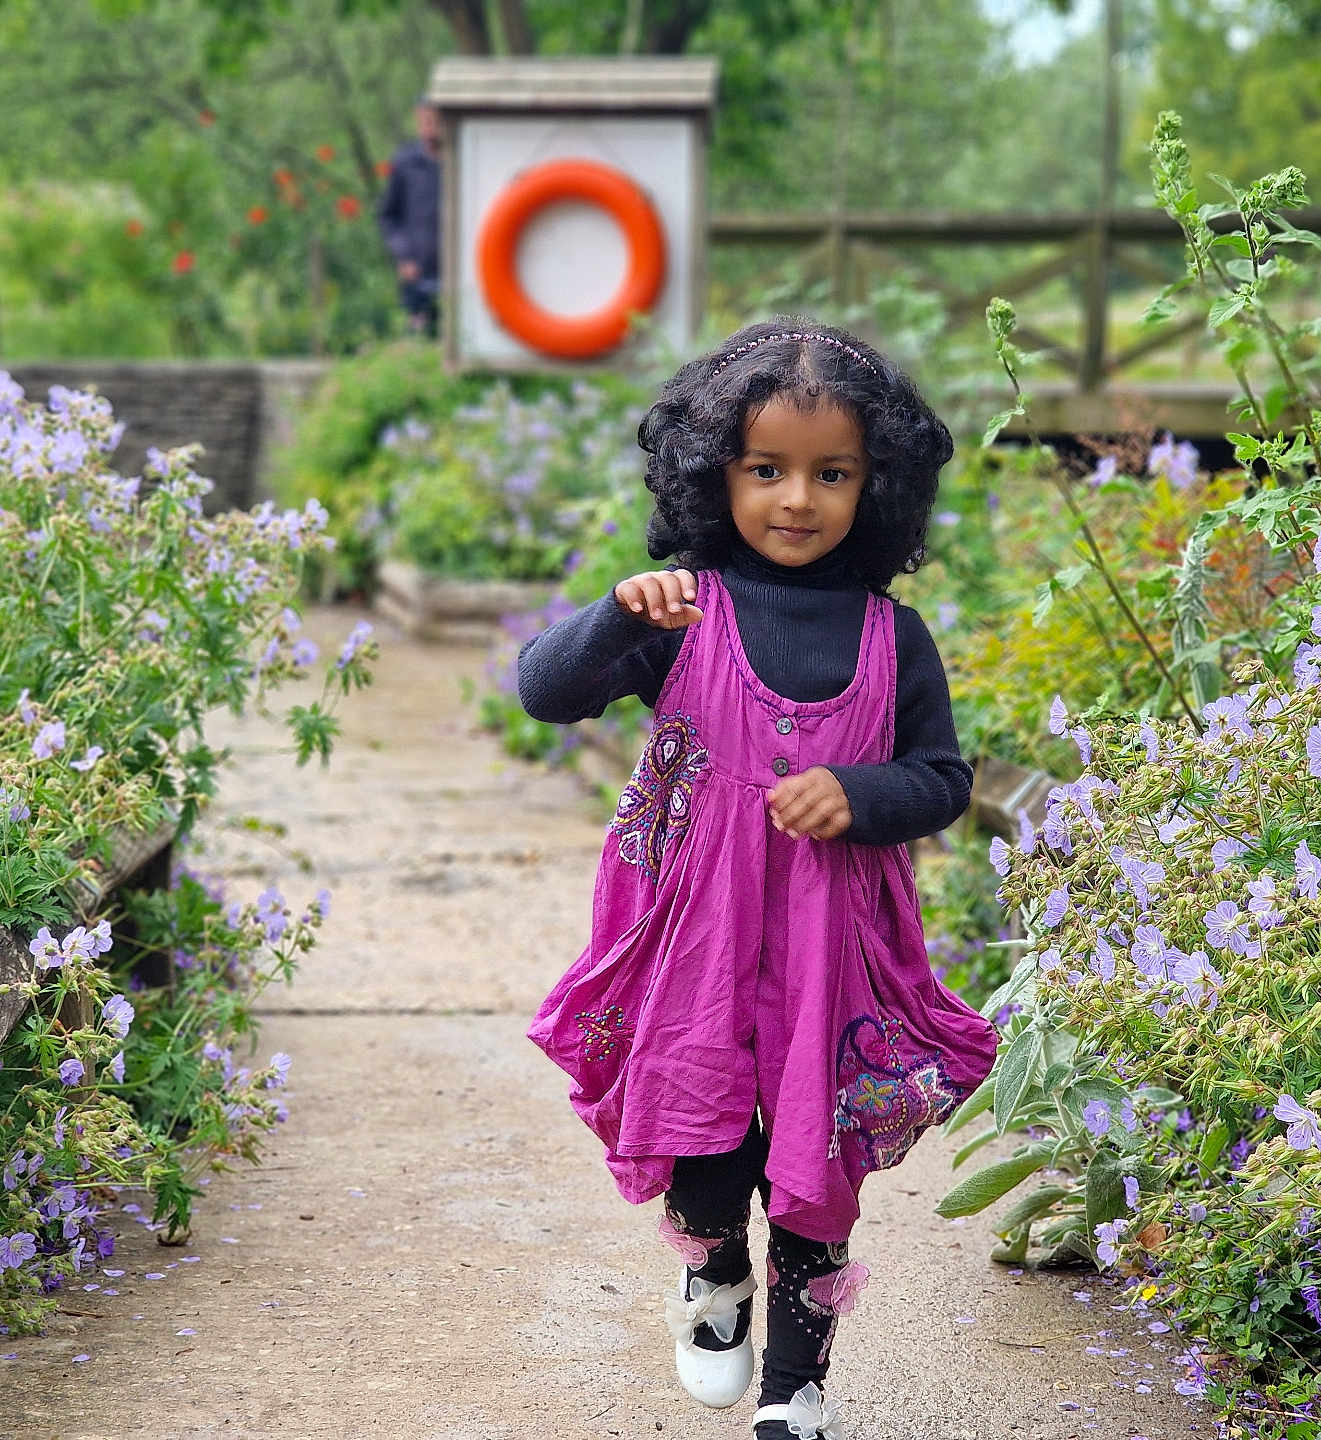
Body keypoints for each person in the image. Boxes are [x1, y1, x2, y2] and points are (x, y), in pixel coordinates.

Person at [517, 319, 999, 1439]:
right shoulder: (685, 611)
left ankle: (795, 1388)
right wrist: (610, 616)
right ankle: (716, 1271)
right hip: (698, 937)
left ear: (876, 487)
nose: (797, 499)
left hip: (837, 953)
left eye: (831, 473)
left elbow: (942, 777)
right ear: (712, 475)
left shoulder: (895, 637)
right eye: (766, 469)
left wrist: (861, 794)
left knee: (817, 1167)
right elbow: (546, 693)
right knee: (702, 1138)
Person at [377, 97, 441, 338]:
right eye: (425, 120)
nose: (430, 126)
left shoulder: (459, 161)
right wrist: (404, 257)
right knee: (418, 339)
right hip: (417, 274)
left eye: (435, 120)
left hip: (455, 276)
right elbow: (388, 217)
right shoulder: (405, 164)